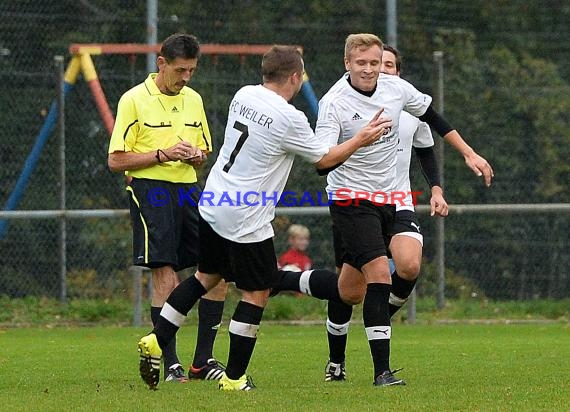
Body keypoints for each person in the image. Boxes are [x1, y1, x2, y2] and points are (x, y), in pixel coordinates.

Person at [136, 45, 393, 391]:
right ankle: (234, 378)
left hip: (215, 201)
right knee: (257, 292)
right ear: (294, 77)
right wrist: (360, 139)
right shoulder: (289, 118)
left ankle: (156, 339)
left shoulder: (244, 94)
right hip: (245, 218)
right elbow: (323, 161)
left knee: (204, 277)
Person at [272, 34, 493, 387]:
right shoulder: (334, 102)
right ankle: (382, 373)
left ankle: (283, 279)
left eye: (375, 63)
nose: (370, 69)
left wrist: (468, 153)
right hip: (350, 199)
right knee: (379, 274)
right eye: (362, 63)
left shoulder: (396, 88)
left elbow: (433, 118)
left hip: (391, 198)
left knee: (352, 289)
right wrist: (361, 139)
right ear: (347, 63)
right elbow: (322, 162)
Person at [108, 33, 226, 383]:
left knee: (216, 270)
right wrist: (161, 154)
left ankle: (202, 361)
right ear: (161, 64)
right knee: (167, 275)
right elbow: (116, 160)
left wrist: (196, 156)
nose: (186, 77)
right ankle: (170, 362)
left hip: (189, 188)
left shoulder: (194, 99)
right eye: (180, 70)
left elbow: (204, 155)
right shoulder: (133, 99)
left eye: (191, 70)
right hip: (149, 190)